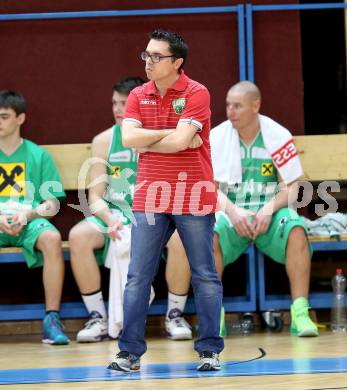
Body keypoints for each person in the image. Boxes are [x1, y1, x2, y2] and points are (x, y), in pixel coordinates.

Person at [108, 29, 224, 373]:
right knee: (137, 277)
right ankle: (129, 353)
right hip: (149, 196)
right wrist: (169, 134)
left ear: (177, 62)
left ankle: (209, 351)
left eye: (157, 57)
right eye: (146, 55)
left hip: (193, 195)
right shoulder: (137, 96)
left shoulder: (196, 92)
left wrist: (156, 139)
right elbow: (130, 137)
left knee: (204, 275)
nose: (149, 62)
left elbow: (181, 143)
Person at [69, 77, 192, 343]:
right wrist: (109, 218)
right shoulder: (103, 141)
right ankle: (97, 318)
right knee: (79, 236)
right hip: (114, 217)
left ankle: (174, 314)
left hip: (154, 216)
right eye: (114, 102)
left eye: (124, 103)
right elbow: (95, 197)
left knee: (182, 237)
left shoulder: (165, 136)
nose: (117, 108)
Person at [0, 90, 69, 345]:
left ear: (20, 118)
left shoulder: (38, 155)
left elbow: (52, 204)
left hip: (27, 219)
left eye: (4, 116)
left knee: (51, 237)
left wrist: (29, 214)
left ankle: (51, 319)